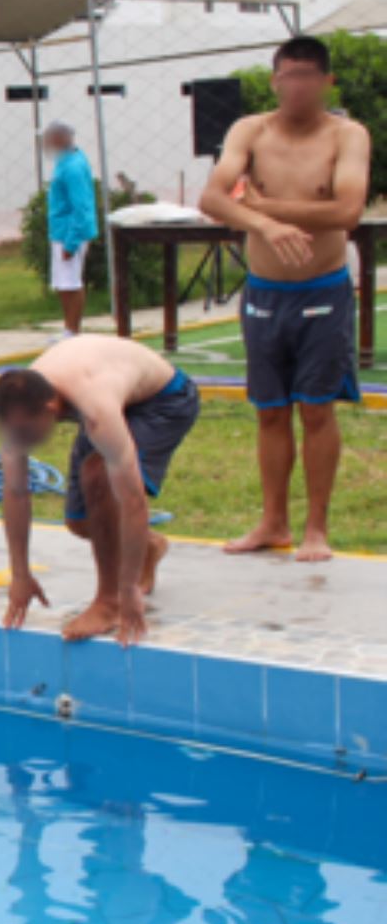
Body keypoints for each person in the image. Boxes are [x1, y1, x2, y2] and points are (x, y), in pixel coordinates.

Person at [199, 35, 371, 564]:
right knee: (270, 411)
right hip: (265, 292)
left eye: (306, 76)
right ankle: (273, 521)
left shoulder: (347, 135)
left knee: (316, 409)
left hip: (322, 290)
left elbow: (346, 210)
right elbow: (212, 197)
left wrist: (260, 205)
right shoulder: (249, 130)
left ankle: (316, 528)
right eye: (286, 76)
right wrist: (266, 225)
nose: (295, 86)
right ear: (274, 80)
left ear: (325, 82)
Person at [0, 336, 200, 647]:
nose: (21, 440)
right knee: (81, 522)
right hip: (113, 396)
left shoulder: (95, 409)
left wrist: (127, 590)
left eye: (26, 432)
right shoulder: (20, 409)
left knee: (97, 476)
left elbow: (131, 501)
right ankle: (149, 548)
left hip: (163, 400)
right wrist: (19, 574)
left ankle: (108, 602)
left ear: (50, 409)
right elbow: (16, 491)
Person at [44, 122, 98, 339]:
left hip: (69, 232)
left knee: (71, 283)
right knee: (63, 283)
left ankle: (73, 330)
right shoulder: (66, 161)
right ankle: (68, 327)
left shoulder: (73, 167)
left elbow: (81, 206)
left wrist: (71, 242)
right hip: (60, 230)